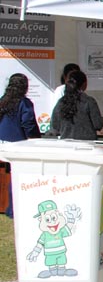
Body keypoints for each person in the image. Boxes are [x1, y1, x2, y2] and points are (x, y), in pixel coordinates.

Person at [0, 73, 42, 217]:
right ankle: (15, 208)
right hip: (19, 146)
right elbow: (28, 124)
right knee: (20, 177)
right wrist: (36, 139)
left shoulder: (2, 102)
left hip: (3, 146)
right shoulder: (24, 103)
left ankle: (10, 208)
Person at [51, 71, 103, 140]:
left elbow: (55, 125)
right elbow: (98, 124)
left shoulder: (61, 102)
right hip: (87, 145)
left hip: (66, 144)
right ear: (84, 84)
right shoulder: (88, 101)